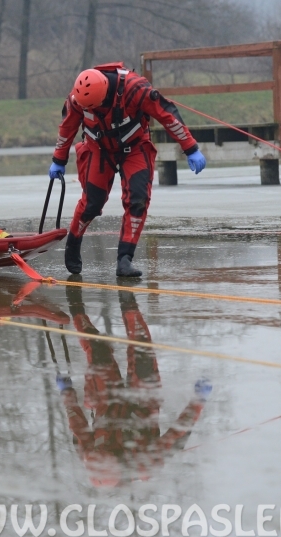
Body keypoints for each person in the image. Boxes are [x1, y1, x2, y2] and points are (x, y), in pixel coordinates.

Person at [49, 62, 207, 277]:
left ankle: (125, 259)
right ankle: (74, 241)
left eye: (94, 107)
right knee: (92, 203)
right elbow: (67, 128)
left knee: (137, 200)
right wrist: (59, 159)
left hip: (135, 146)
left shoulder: (136, 89)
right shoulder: (77, 99)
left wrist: (190, 148)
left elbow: (167, 114)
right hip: (98, 147)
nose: (91, 111)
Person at [57, 281, 210, 487]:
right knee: (142, 350)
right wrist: (198, 401)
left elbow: (77, 426)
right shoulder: (147, 462)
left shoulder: (89, 455)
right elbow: (178, 433)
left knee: (98, 349)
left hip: (105, 402)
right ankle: (128, 302)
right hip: (143, 405)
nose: (101, 448)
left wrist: (67, 393)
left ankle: (75, 306)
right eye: (106, 450)